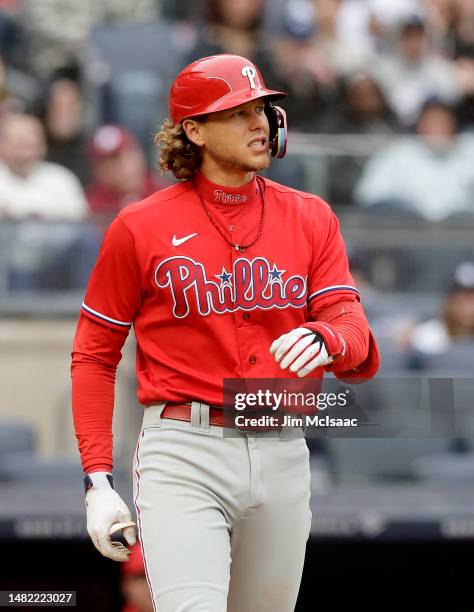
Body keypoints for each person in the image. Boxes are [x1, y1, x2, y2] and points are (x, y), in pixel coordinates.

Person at [71, 54, 380, 612]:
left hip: (282, 444)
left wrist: (329, 338)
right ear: (194, 131)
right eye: (238, 112)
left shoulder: (311, 217)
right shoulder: (139, 226)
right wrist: (97, 479)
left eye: (261, 108)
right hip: (184, 449)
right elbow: (94, 355)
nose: (260, 122)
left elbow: (355, 335)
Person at [355, 98, 474, 220]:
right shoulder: (397, 153)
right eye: (431, 122)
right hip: (408, 231)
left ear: (453, 124)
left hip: (462, 231)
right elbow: (370, 195)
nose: (437, 128)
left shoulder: (469, 151)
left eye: (442, 122)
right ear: (420, 125)